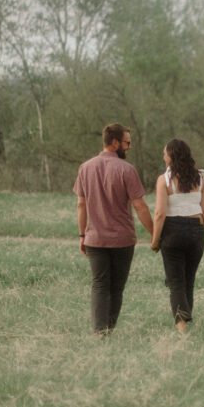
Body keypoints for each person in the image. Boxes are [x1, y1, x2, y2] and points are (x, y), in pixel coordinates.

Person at [74, 123, 154, 335]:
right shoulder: (127, 170)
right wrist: (155, 233)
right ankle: (109, 328)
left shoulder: (85, 168)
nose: (129, 146)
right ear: (115, 142)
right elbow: (140, 206)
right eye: (127, 142)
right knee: (116, 287)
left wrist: (82, 235)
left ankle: (99, 331)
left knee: (99, 285)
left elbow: (81, 205)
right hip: (122, 240)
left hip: (94, 239)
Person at [149, 138, 204, 333]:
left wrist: (155, 240)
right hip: (196, 231)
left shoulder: (164, 180)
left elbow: (159, 214)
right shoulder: (201, 178)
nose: (163, 156)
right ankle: (187, 322)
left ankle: (182, 327)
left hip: (173, 231)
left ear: (171, 156)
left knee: (176, 282)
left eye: (165, 153)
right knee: (188, 280)